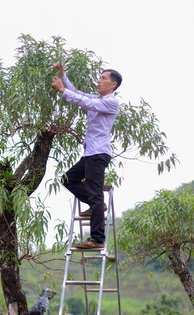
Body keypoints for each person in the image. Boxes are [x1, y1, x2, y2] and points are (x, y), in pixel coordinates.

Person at [51, 61, 122, 249]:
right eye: (100, 77)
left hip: (99, 153)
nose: (99, 81)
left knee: (95, 193)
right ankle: (94, 204)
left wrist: (62, 91)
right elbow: (80, 94)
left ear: (113, 84)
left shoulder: (111, 102)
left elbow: (83, 101)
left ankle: (97, 238)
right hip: (90, 152)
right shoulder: (99, 99)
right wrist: (63, 74)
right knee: (67, 179)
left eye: (103, 78)